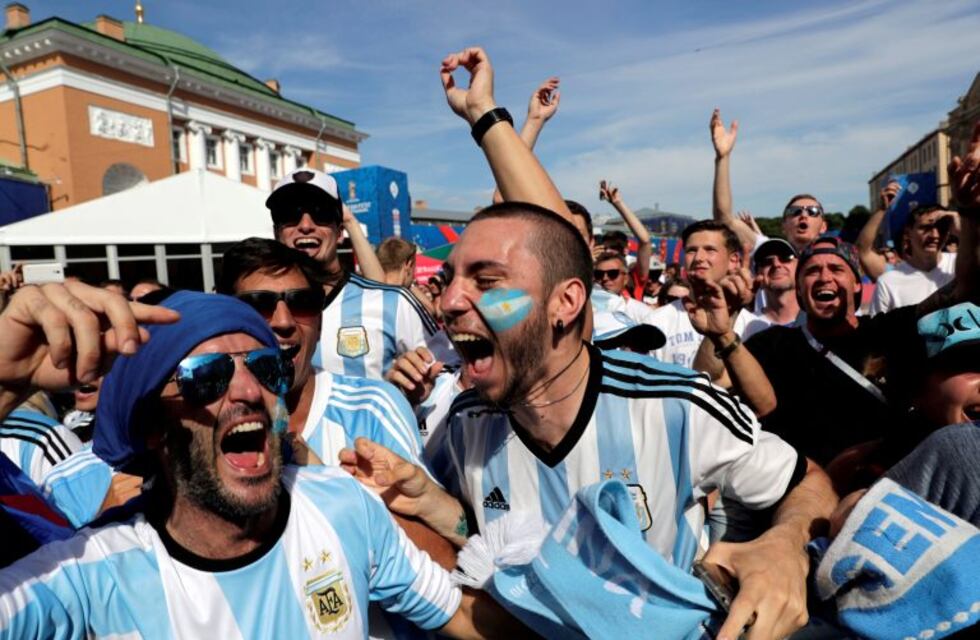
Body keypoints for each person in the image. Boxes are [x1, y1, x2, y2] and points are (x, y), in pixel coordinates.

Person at [0, 284, 513, 639]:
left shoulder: (340, 504)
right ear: (154, 428)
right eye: (207, 376)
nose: (249, 391)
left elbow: (464, 619)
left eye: (267, 368)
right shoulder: (96, 571)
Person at [267, 168, 452, 379]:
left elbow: (448, 373)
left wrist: (408, 395)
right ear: (276, 232)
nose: (306, 225)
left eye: (321, 214)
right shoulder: (257, 308)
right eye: (290, 215)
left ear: (339, 233)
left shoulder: (393, 302)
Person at [710, 108, 827, 253]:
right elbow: (725, 220)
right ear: (783, 225)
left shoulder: (838, 260)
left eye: (813, 211)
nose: (803, 215)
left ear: (823, 226)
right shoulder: (771, 251)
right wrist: (723, 158)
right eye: (795, 211)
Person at [648, 220, 757, 368]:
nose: (699, 257)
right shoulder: (656, 321)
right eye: (691, 250)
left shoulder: (753, 326)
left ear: (733, 260)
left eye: (710, 250)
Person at [867, 202, 959, 315]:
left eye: (941, 228)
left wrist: (961, 229)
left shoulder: (962, 265)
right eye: (926, 228)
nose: (935, 235)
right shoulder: (888, 282)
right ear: (908, 232)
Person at [598, 180, 653, 300]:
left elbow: (644, 241)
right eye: (605, 248)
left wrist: (618, 203)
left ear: (625, 250)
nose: (608, 251)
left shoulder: (634, 277)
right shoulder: (596, 277)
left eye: (614, 247)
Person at [742, 238, 800, 338]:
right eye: (766, 262)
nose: (776, 264)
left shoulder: (818, 319)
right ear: (757, 275)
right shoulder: (745, 324)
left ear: (800, 268)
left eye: (785, 258)